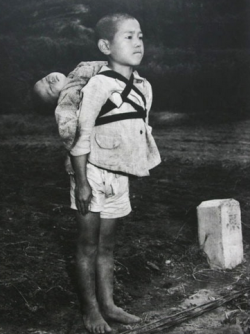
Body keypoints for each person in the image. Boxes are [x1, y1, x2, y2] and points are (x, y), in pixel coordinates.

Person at [35, 12, 161, 334]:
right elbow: (81, 137)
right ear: (105, 45)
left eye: (140, 36)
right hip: (89, 173)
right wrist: (81, 184)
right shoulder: (98, 84)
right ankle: (90, 311)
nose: (137, 43)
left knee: (108, 245)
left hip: (118, 176)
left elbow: (138, 131)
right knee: (88, 244)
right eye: (128, 37)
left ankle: (109, 305)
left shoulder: (144, 87)